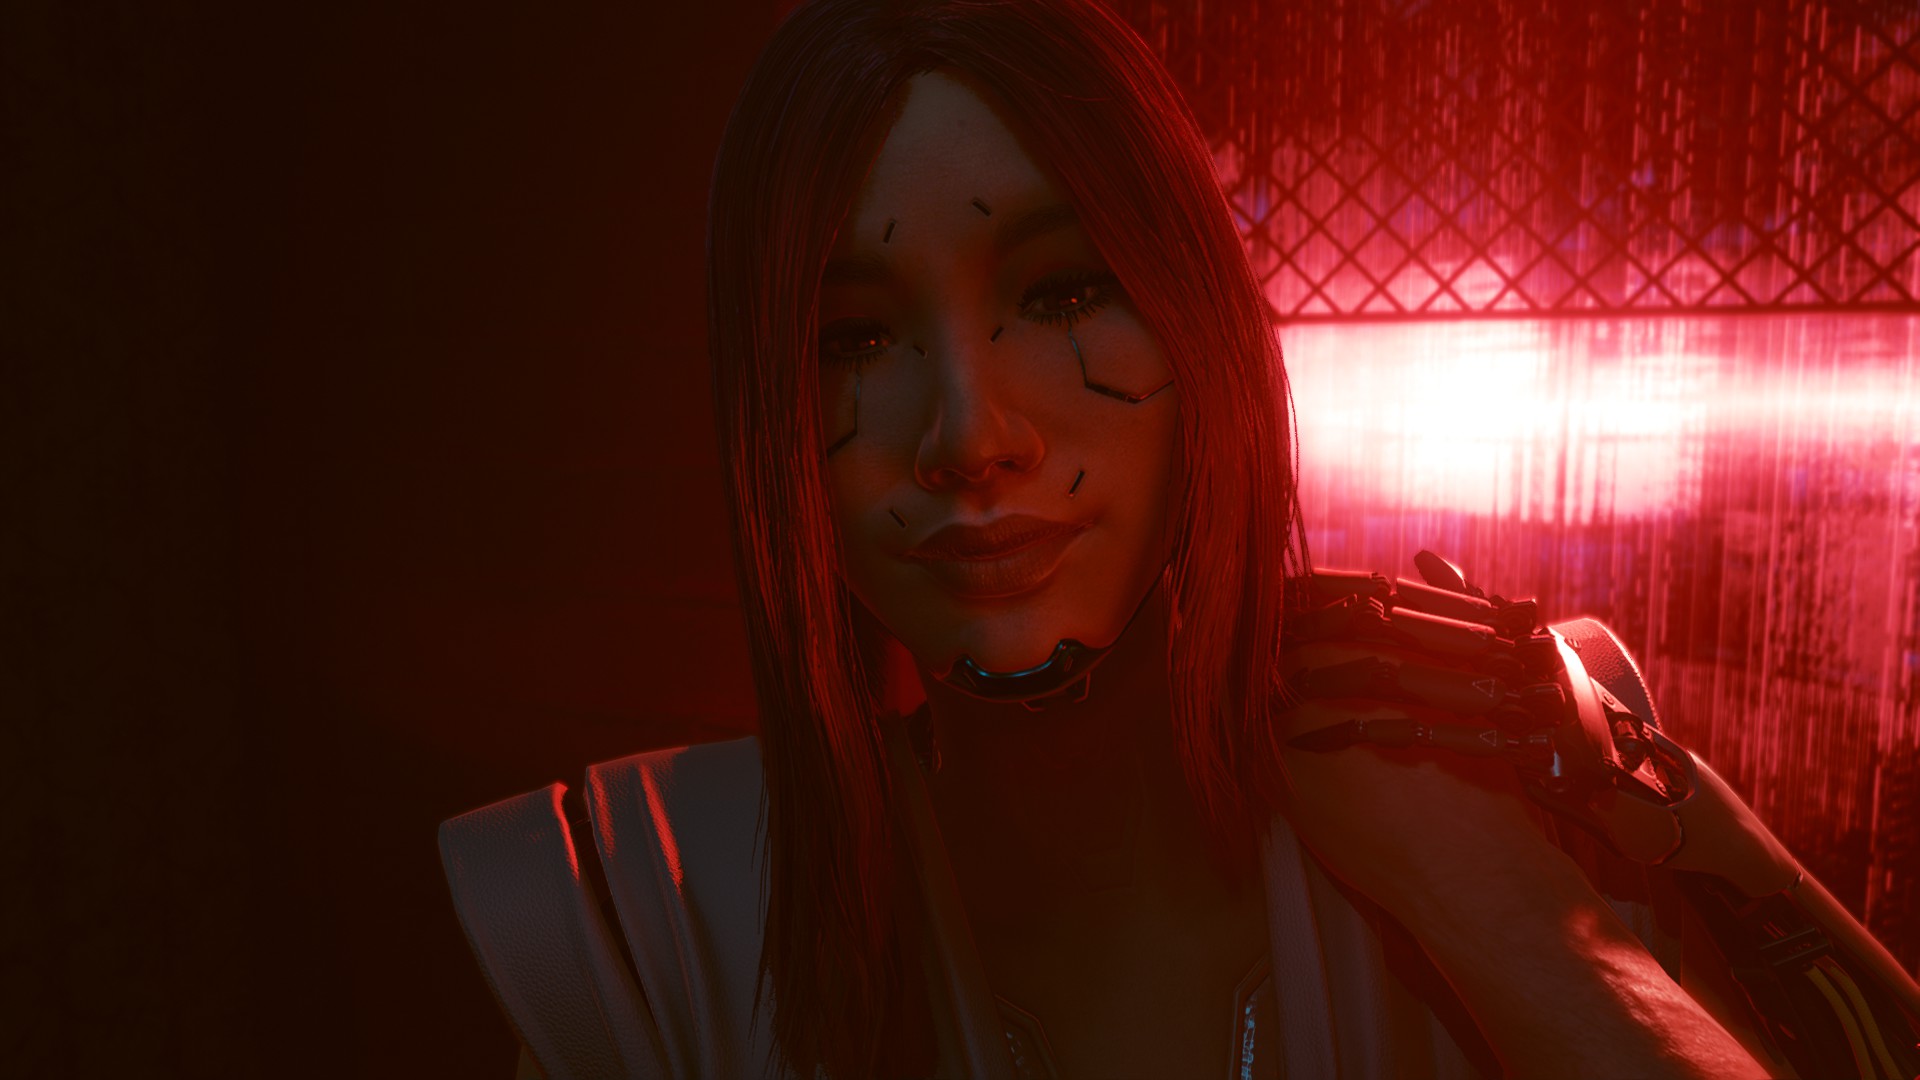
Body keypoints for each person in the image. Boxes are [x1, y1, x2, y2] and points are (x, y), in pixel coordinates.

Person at [438, 1, 1920, 1077]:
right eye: (852, 337)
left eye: (1065, 292)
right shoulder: (655, 933)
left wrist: (1523, 921)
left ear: (1199, 318)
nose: (969, 433)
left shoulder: (1521, 758)